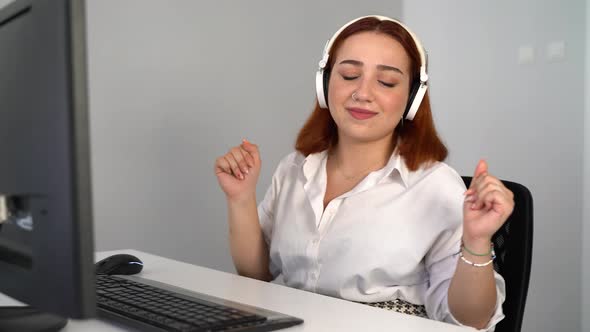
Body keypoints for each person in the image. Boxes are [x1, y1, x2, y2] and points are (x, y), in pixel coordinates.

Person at [214, 15, 513, 331]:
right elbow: (256, 274)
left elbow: (472, 318)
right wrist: (241, 198)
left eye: (386, 82)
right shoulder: (295, 168)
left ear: (413, 98)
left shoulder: (436, 186)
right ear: (325, 82)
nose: (362, 93)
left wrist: (477, 241)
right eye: (349, 75)